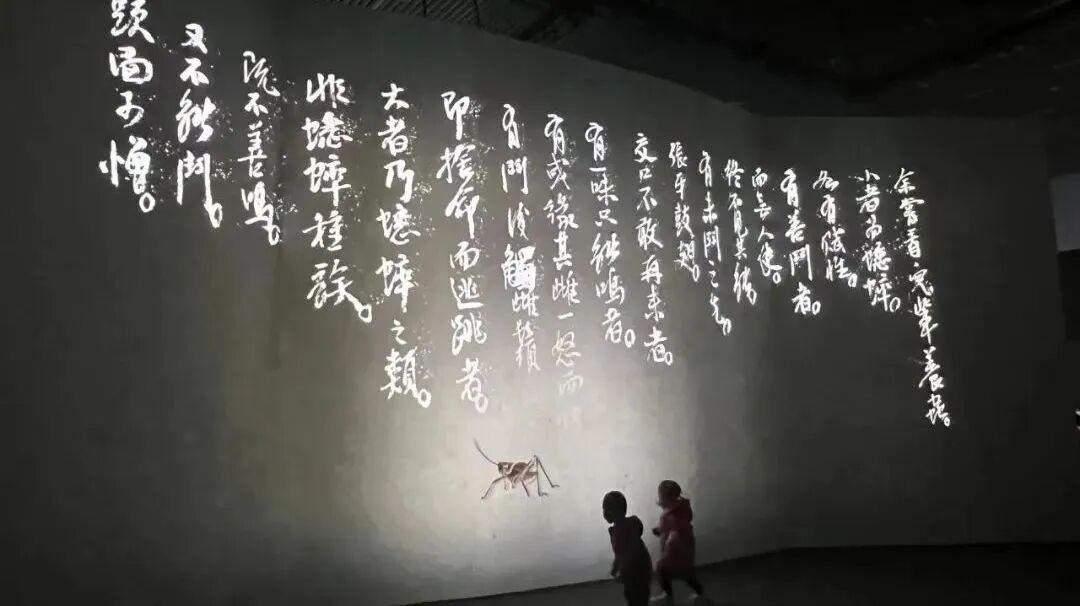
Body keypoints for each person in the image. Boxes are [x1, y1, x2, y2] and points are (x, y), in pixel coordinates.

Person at [650, 480, 705, 604]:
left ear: (663, 497)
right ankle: (700, 592)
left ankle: (667, 594)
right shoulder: (684, 507)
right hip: (686, 544)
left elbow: (668, 528)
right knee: (686, 572)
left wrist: (659, 531)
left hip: (674, 546)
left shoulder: (668, 515)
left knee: (661, 568)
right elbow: (683, 522)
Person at [603, 490, 653, 606]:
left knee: (637, 596)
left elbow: (630, 553)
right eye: (604, 509)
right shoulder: (619, 529)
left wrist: (622, 570)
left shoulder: (623, 529)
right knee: (632, 594)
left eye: (606, 509)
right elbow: (620, 553)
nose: (604, 513)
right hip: (637, 568)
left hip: (638, 569)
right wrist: (616, 566)